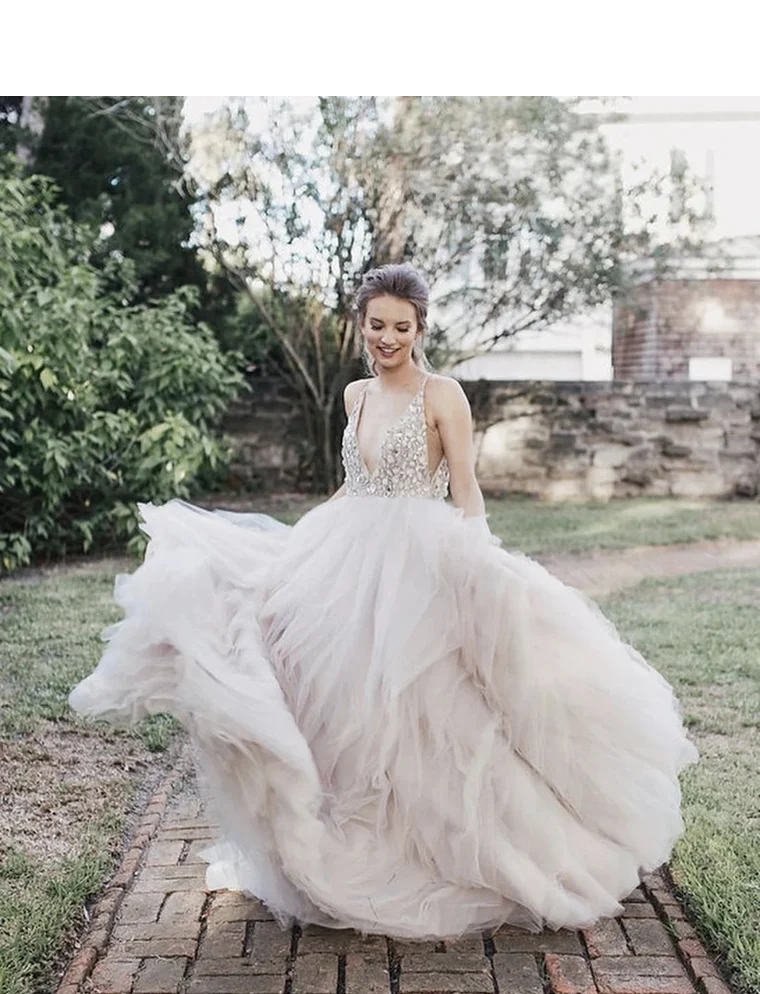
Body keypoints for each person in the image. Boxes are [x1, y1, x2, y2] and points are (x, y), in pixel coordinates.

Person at [70, 263, 698, 939]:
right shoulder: (354, 396)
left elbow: (465, 485)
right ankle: (340, 837)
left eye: (402, 327)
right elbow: (354, 487)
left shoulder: (443, 394)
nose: (388, 338)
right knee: (323, 684)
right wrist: (301, 543)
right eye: (377, 325)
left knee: (421, 706)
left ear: (420, 328)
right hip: (347, 553)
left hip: (418, 558)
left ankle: (447, 848)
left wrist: (477, 554)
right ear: (360, 325)